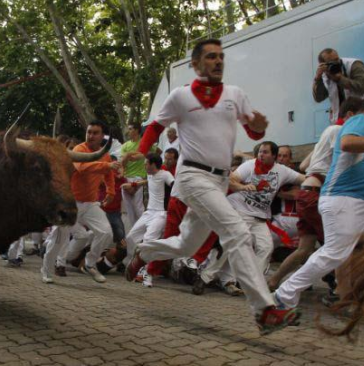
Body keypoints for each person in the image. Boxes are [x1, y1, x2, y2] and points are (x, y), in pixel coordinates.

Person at [126, 38, 300, 335]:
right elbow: (155, 126)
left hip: (220, 180)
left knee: (186, 244)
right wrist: (142, 151)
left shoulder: (235, 94)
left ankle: (144, 252)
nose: (218, 61)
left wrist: (259, 125)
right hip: (192, 176)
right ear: (195, 64)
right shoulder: (181, 97)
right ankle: (264, 310)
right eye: (210, 57)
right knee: (236, 230)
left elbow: (252, 128)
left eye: (221, 57)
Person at [274, 87, 364, 315]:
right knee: (335, 253)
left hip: (363, 203)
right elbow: (348, 143)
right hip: (343, 201)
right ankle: (283, 296)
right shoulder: (362, 121)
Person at [267, 97, 364, 293]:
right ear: (351, 115)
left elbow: (304, 166)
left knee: (304, 249)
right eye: (363, 119)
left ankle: (274, 281)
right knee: (339, 246)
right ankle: (340, 291)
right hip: (317, 194)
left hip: (307, 193)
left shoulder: (326, 133)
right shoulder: (339, 132)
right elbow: (346, 164)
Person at [195, 141, 304, 296]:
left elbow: (303, 179)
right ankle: (205, 277)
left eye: (265, 152)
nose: (261, 155)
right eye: (260, 151)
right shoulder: (250, 165)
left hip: (259, 218)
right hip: (240, 211)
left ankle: (251, 285)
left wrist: (322, 178)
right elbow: (232, 179)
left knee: (266, 248)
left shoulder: (283, 171)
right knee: (232, 244)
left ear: (273, 156)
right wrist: (242, 187)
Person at [68, 120, 121, 283]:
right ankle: (59, 261)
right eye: (89, 132)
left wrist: (111, 191)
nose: (91, 135)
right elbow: (82, 167)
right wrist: (108, 165)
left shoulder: (104, 154)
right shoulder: (79, 149)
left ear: (101, 136)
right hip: (70, 203)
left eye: (95, 132)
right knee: (67, 238)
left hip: (90, 203)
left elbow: (108, 174)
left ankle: (90, 264)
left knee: (106, 232)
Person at [122, 153, 174, 287]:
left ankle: (146, 273)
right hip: (148, 213)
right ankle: (135, 264)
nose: (144, 165)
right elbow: (148, 180)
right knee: (131, 237)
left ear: (153, 164)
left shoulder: (165, 174)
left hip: (160, 214)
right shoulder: (150, 174)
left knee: (148, 241)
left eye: (146, 163)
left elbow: (175, 185)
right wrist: (134, 184)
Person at [313, 48, 364, 123]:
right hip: (340, 118)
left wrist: (340, 79)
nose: (336, 63)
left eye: (337, 59)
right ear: (323, 65)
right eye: (331, 63)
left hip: (362, 114)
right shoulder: (325, 74)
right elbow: (318, 98)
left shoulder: (353, 65)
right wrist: (318, 79)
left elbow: (362, 88)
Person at [121, 123, 156, 227]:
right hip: (126, 178)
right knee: (129, 208)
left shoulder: (145, 143)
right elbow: (123, 162)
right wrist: (130, 156)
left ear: (137, 130)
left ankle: (144, 230)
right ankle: (134, 232)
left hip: (139, 178)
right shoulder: (125, 145)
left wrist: (130, 155)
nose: (128, 131)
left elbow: (156, 152)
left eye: (131, 129)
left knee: (138, 207)